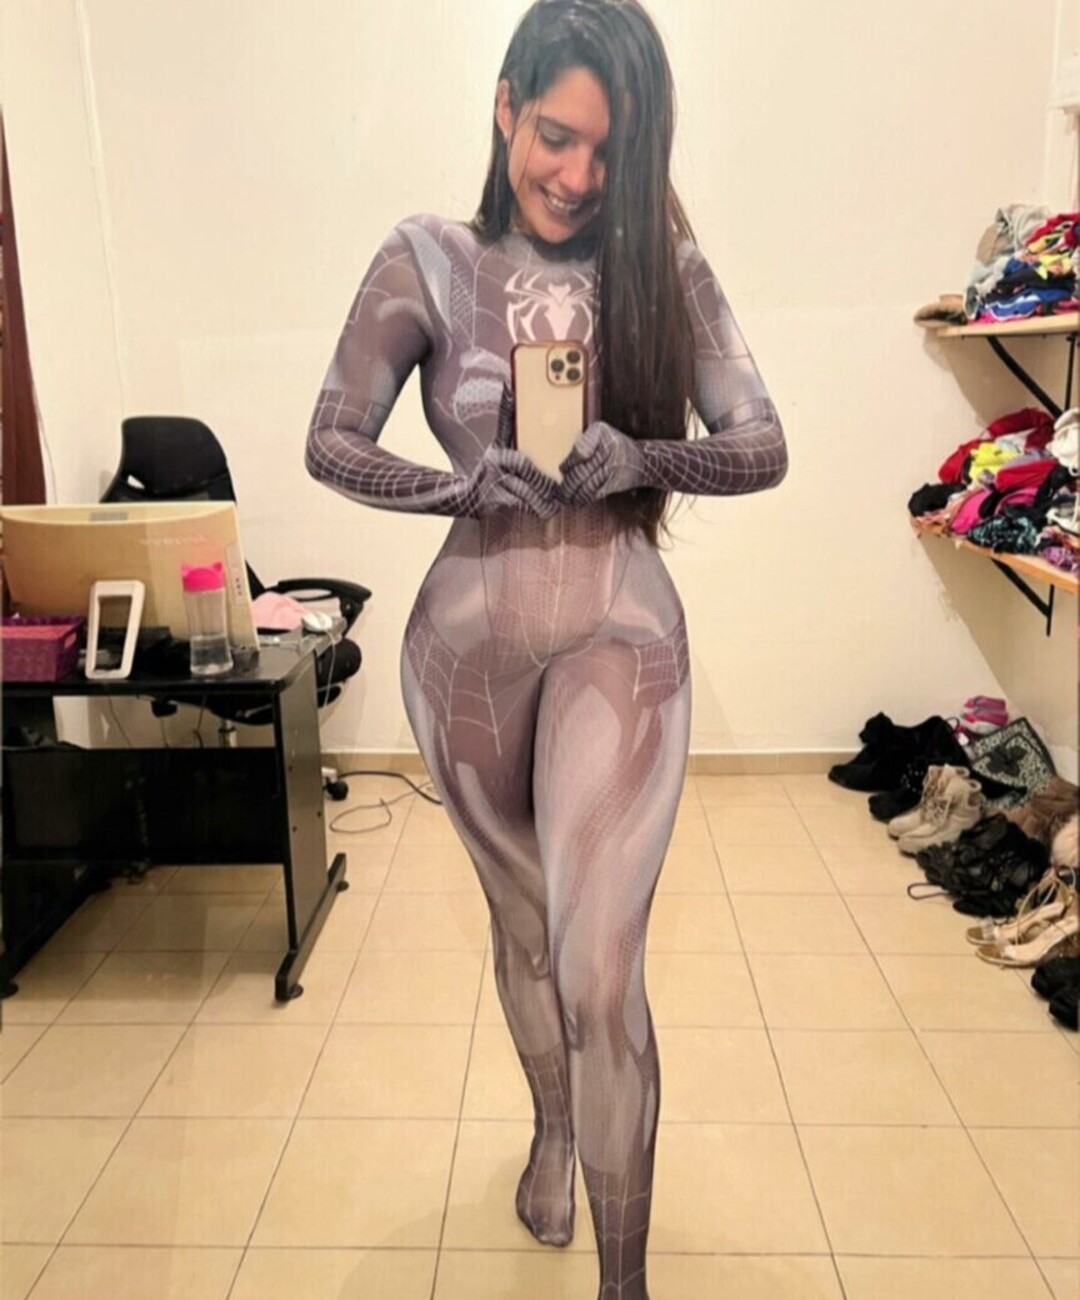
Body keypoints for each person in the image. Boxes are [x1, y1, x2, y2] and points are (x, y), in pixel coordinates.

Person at [305, 1, 787, 1294]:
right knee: (525, 930)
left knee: (600, 970)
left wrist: (649, 456)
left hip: (619, 636)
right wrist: (452, 486)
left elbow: (762, 443)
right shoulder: (425, 256)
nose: (578, 175)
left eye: (610, 152)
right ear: (507, 107)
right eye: (557, 137)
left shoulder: (664, 267)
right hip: (464, 653)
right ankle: (556, 1131)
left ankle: (625, 1281)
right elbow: (333, 436)